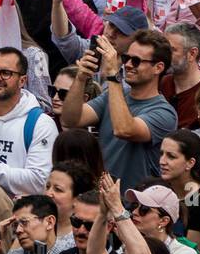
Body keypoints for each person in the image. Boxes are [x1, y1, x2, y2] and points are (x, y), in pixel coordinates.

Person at [60, 31, 177, 191]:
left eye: (136, 61)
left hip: (134, 208)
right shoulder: (113, 94)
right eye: (126, 58)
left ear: (158, 68)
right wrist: (81, 78)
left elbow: (124, 129)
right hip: (100, 200)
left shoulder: (165, 113)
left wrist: (113, 76)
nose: (128, 65)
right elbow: (70, 120)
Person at [0, 47, 58, 198]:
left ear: (22, 80)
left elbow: (40, 181)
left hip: (15, 214)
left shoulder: (40, 124)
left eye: (6, 73)